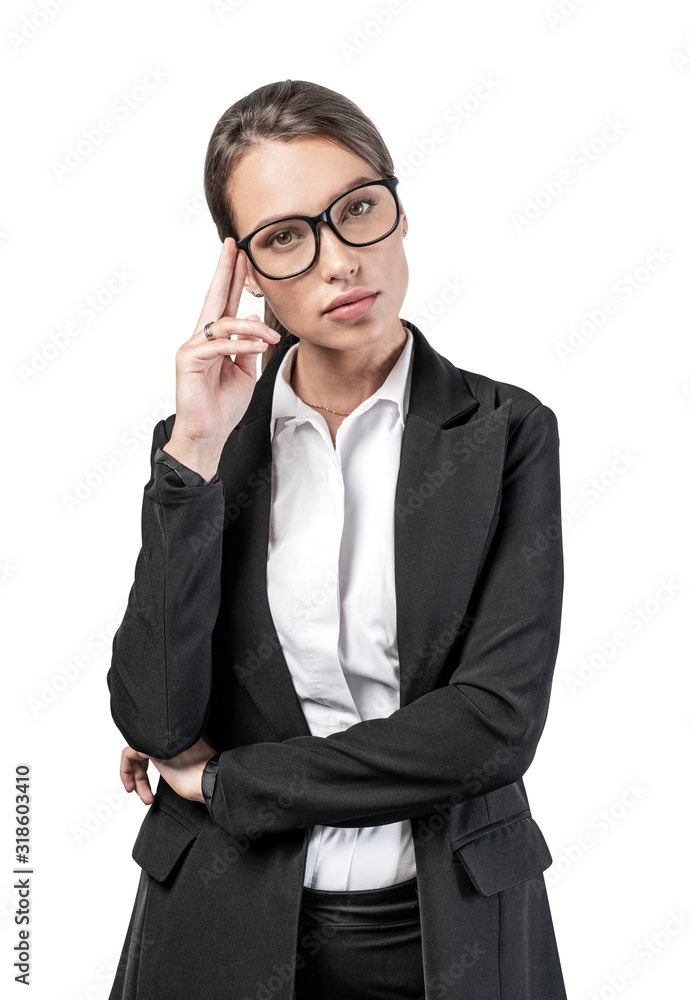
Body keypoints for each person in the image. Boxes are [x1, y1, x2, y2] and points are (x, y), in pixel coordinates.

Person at [106, 79, 569, 1000]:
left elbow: (491, 727)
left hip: (451, 925)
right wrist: (192, 453)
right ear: (245, 271)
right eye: (286, 236)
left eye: (357, 209)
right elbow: (155, 719)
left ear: (398, 211)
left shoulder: (506, 432)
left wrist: (229, 781)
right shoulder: (206, 442)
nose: (340, 262)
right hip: (221, 920)